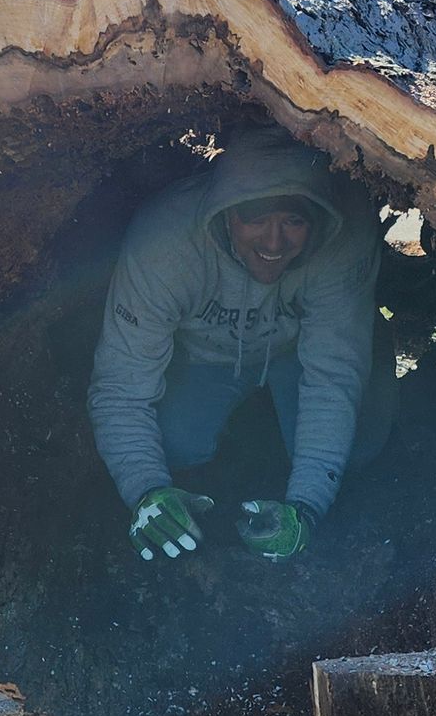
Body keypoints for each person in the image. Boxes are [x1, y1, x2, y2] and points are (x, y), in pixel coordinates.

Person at [88, 128, 392, 563]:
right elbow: (120, 389)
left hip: (299, 353)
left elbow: (332, 378)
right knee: (172, 446)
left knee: (358, 446)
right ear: (226, 215)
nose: (273, 243)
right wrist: (147, 491)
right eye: (255, 218)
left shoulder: (346, 233)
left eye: (293, 221)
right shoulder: (164, 244)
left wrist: (305, 509)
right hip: (206, 356)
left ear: (317, 219)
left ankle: (370, 353)